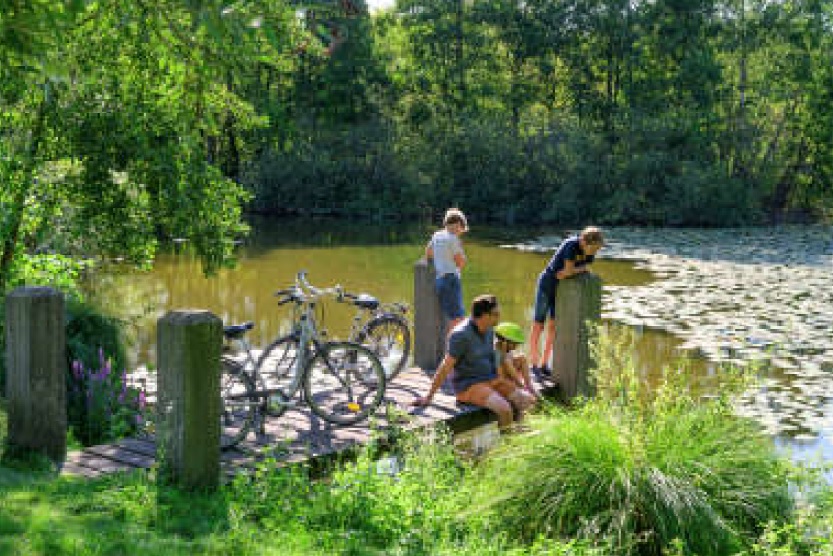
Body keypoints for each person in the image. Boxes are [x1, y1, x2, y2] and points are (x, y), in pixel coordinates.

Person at [412, 294, 535, 430]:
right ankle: (509, 440)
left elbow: (496, 357)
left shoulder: (490, 329)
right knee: (505, 409)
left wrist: (509, 373)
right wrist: (429, 396)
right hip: (470, 386)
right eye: (495, 314)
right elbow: (445, 366)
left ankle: (521, 434)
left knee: (527, 400)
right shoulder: (460, 335)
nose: (498, 318)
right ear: (484, 315)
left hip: (491, 380)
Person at [529, 226, 605, 377]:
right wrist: (579, 269)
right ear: (584, 242)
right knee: (538, 325)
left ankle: (544, 364)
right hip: (547, 285)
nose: (595, 252)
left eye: (597, 249)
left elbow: (568, 272)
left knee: (553, 327)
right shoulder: (571, 245)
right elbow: (568, 271)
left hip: (561, 290)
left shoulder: (589, 252)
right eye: (594, 248)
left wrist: (573, 271)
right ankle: (534, 364)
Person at [425, 208, 468, 335]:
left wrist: (442, 257)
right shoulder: (453, 239)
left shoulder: (437, 235)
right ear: (458, 224)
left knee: (452, 317)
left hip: (440, 280)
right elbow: (460, 262)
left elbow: (428, 253)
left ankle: (451, 344)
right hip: (451, 280)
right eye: (461, 229)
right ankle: (452, 346)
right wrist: (461, 254)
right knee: (457, 319)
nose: (460, 233)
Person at [494, 321, 539, 401]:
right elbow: (499, 375)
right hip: (500, 380)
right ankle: (521, 386)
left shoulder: (507, 349)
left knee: (522, 358)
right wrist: (517, 383)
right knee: (506, 361)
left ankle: (529, 385)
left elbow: (511, 362)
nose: (516, 346)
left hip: (509, 376)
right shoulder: (496, 353)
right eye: (514, 343)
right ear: (504, 341)